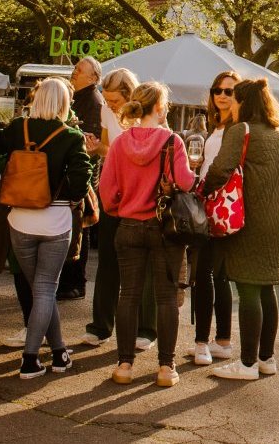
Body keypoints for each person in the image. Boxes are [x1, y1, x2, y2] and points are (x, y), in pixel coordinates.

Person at [0, 77, 89, 380]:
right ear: (64, 103)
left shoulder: (18, 128)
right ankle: (30, 359)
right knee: (45, 290)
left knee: (39, 289)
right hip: (55, 219)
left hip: (19, 218)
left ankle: (59, 353)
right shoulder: (71, 136)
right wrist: (64, 195)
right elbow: (81, 180)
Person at [96, 81, 192, 387]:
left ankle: (124, 364)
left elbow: (106, 189)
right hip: (163, 228)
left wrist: (119, 206)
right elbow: (186, 183)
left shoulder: (121, 143)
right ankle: (166, 367)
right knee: (165, 298)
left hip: (128, 225)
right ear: (160, 108)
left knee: (129, 296)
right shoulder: (171, 141)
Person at [205, 78, 279, 381]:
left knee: (248, 288)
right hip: (276, 221)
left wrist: (202, 189)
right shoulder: (278, 134)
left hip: (249, 219)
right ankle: (267, 358)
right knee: (266, 287)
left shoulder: (242, 130)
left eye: (235, 100)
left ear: (243, 102)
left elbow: (220, 169)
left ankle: (248, 363)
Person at [83, 68, 153, 350]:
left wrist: (115, 151)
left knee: (144, 264)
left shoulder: (147, 114)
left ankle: (146, 328)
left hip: (142, 194)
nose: (109, 105)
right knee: (109, 260)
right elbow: (108, 149)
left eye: (114, 100)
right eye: (107, 99)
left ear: (129, 95)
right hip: (114, 191)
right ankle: (100, 326)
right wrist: (96, 147)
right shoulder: (106, 113)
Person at [179, 72, 238, 367]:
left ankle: (203, 342)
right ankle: (223, 341)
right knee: (217, 276)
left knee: (204, 276)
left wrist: (201, 183)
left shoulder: (235, 129)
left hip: (217, 210)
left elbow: (225, 171)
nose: (222, 95)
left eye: (229, 90)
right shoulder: (218, 128)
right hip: (212, 208)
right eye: (217, 89)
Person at [58, 56, 102, 302]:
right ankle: (69, 281)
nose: (74, 72)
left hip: (83, 174)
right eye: (74, 68)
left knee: (80, 227)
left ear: (93, 77)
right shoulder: (77, 97)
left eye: (79, 70)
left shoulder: (93, 101)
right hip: (75, 170)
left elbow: (94, 141)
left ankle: (76, 282)